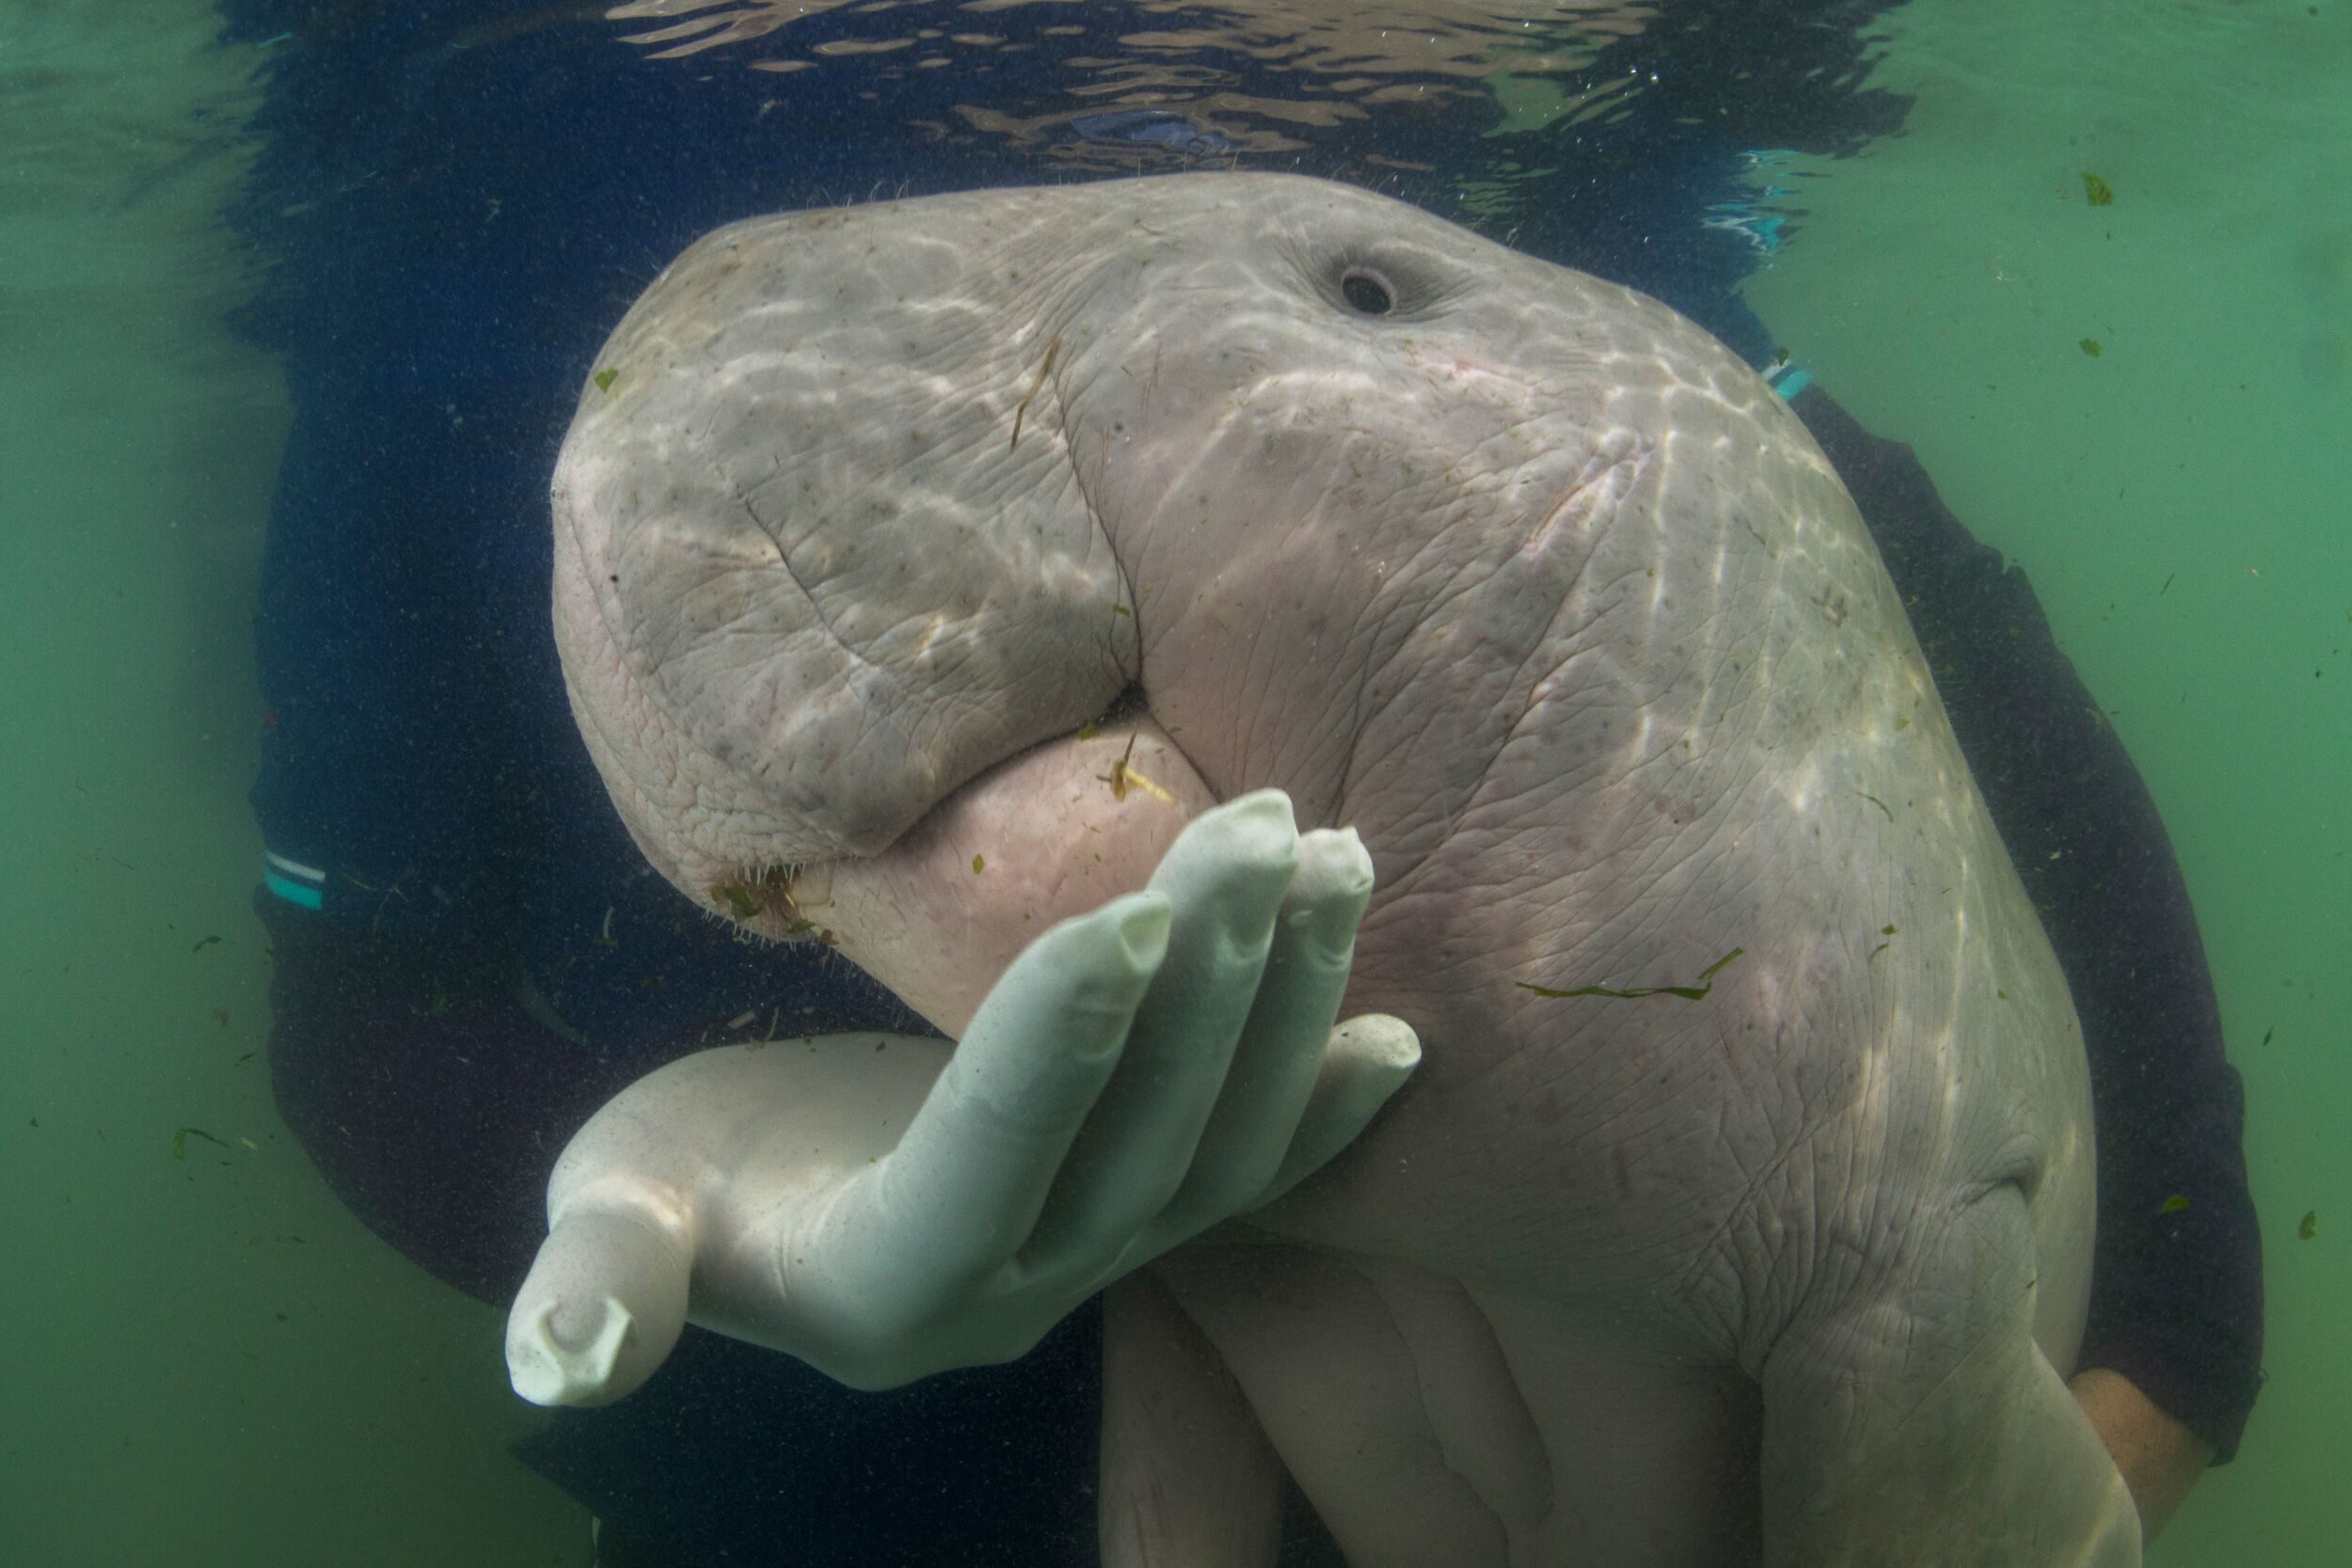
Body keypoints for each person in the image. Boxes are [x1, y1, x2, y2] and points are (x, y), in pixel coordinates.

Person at [225, 1, 2259, 1560]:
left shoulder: (1638, 372)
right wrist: (703, 1226)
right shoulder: (450, 351)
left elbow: (2128, 1111)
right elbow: (363, 1011)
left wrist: (2048, 1448)